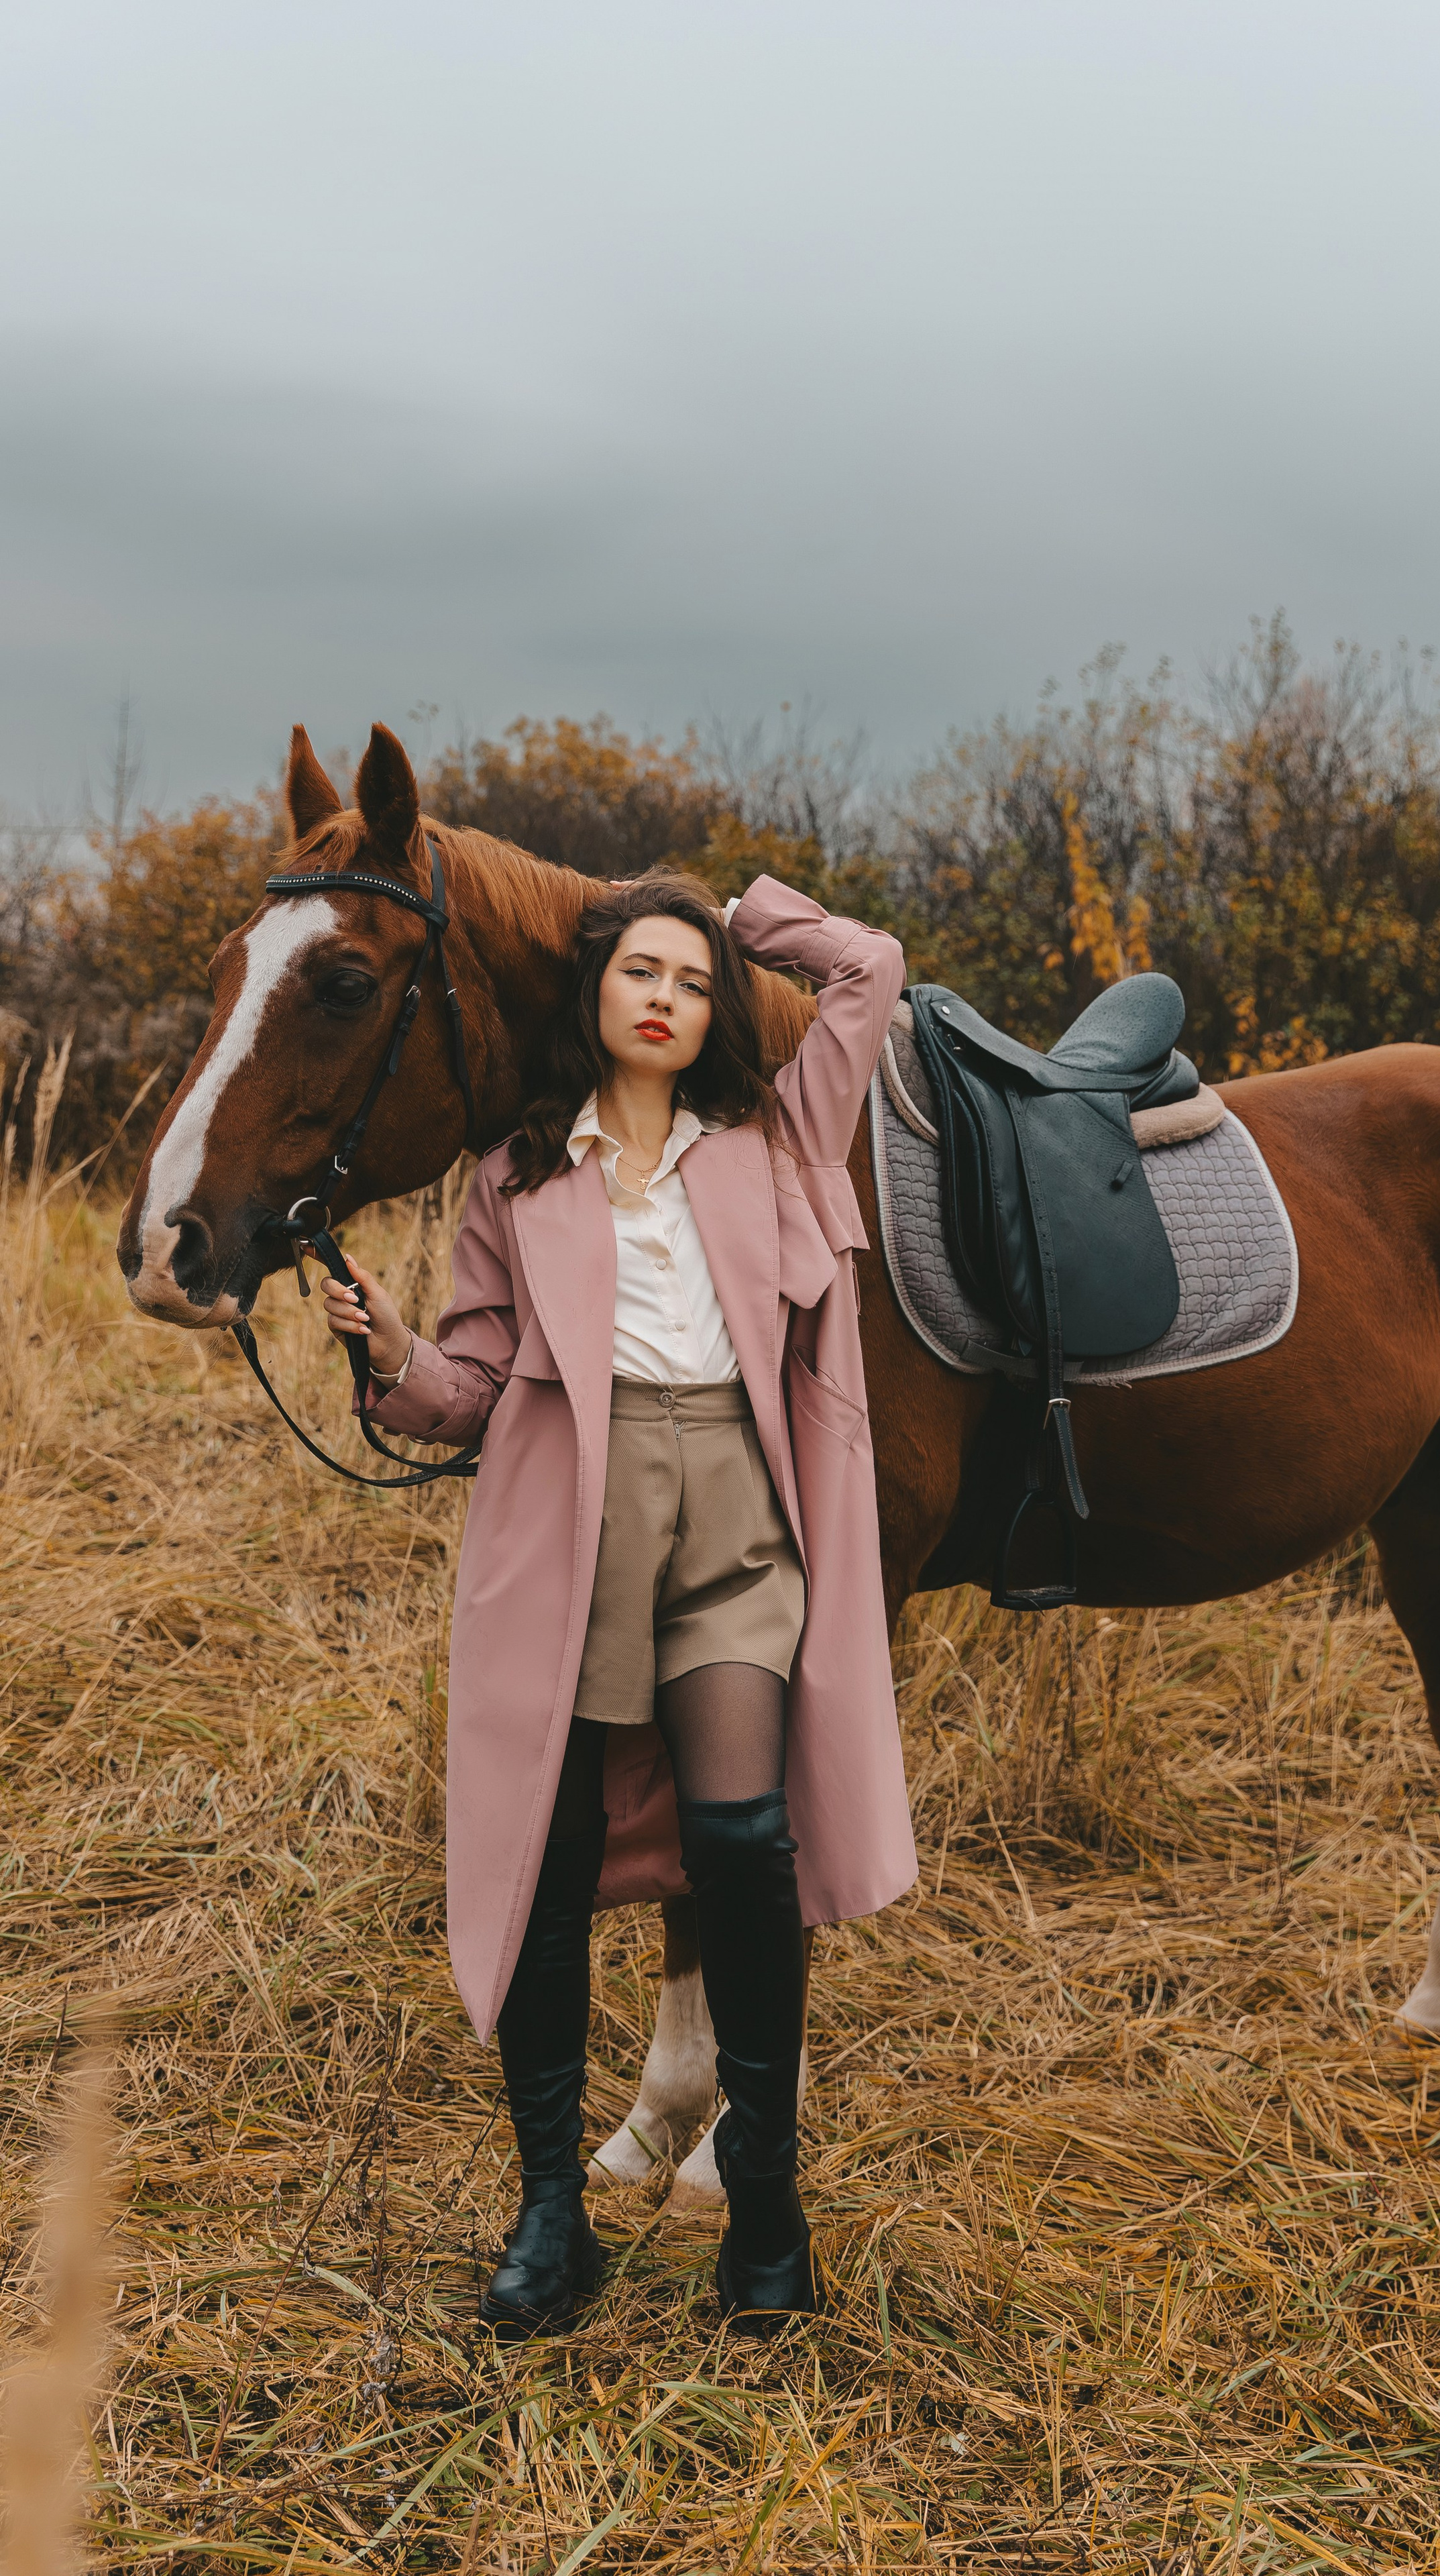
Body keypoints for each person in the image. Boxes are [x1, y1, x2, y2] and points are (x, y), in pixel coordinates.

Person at [320, 871, 916, 2336]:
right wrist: (393, 1350)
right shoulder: (517, 1176)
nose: (666, 997)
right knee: (556, 1853)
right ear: (594, 992)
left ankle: (762, 2192)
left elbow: (869, 970)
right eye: (641, 968)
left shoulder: (776, 1138)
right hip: (574, 1529)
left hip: (735, 1521)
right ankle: (551, 2210)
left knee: (743, 1837)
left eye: (693, 982)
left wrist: (733, 912)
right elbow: (471, 1391)